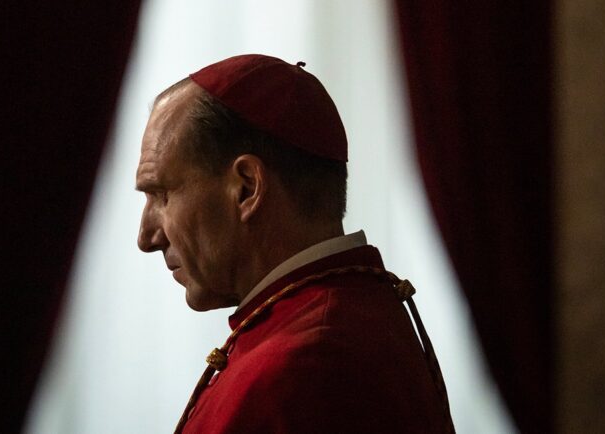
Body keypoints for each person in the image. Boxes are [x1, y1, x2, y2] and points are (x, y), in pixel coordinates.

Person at [136, 54, 454, 433]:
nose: (146, 238)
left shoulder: (303, 368)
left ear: (246, 188)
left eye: (161, 195)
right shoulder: (353, 313)